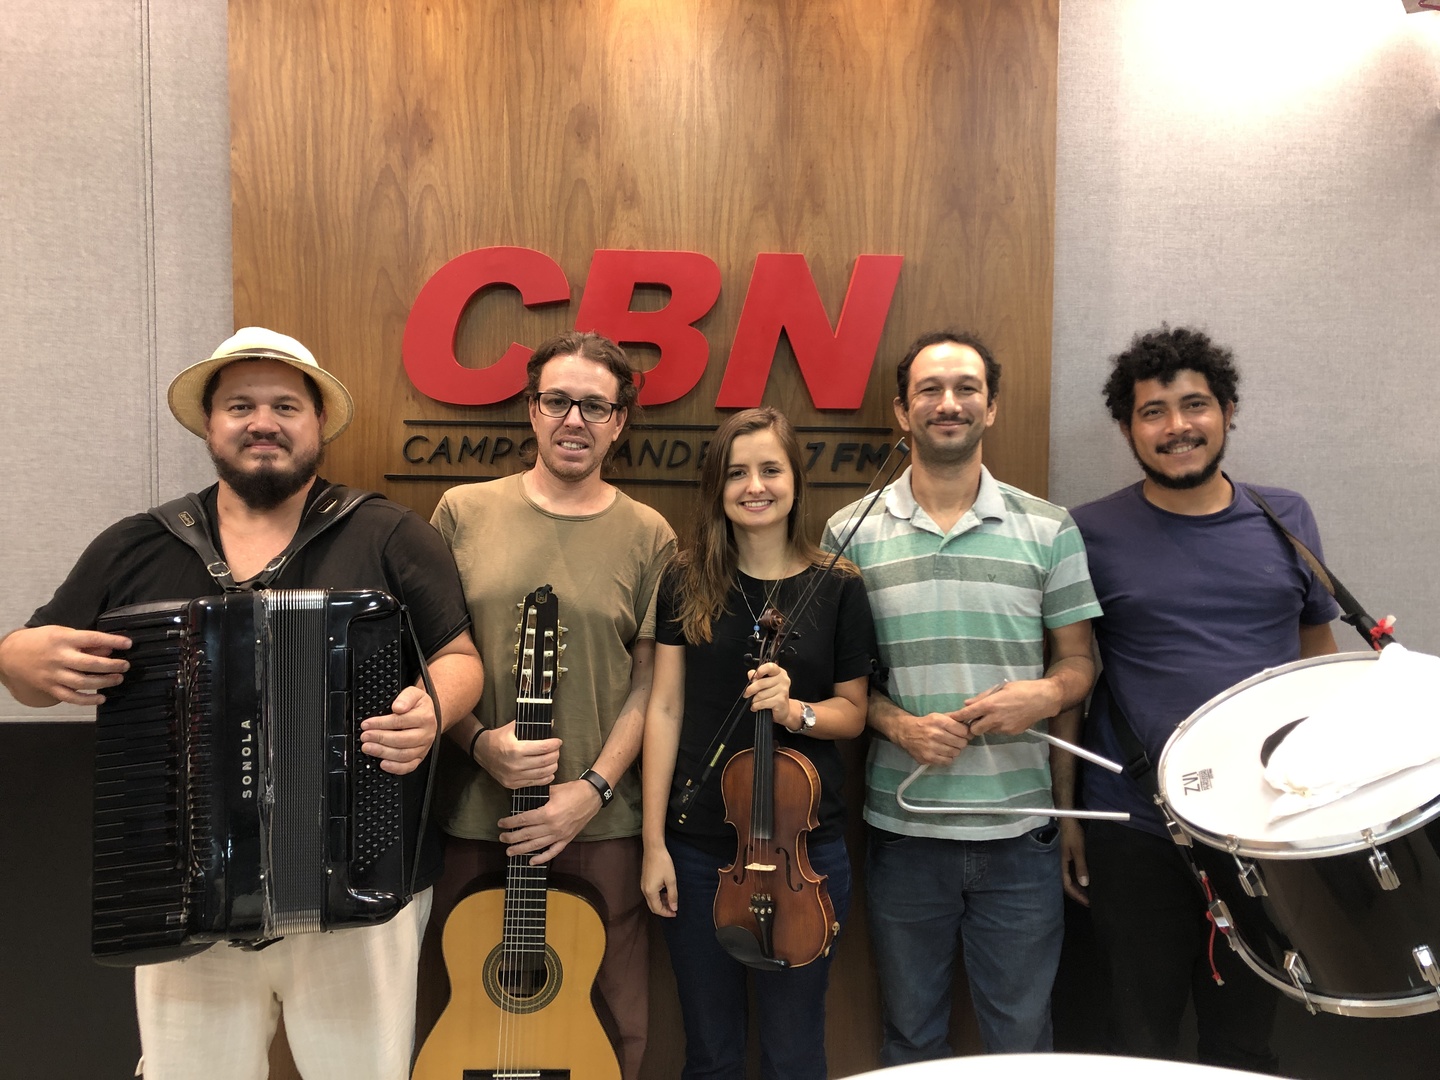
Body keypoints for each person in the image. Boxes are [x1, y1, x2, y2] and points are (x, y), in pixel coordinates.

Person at [0, 327, 485, 1080]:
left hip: (362, 876)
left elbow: (458, 659)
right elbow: (32, 667)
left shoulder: (388, 534)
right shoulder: (137, 546)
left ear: (318, 422)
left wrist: (432, 707)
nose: (263, 421)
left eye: (286, 404)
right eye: (240, 405)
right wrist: (13, 658)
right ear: (209, 424)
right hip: (184, 885)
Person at [1063, 325, 1339, 1071]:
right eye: (1153, 412)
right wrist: (1072, 816)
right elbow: (1073, 674)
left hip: (1264, 828)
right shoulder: (1087, 531)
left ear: (1228, 411)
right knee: (1138, 1037)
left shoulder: (1286, 518)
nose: (1177, 426)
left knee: (1245, 1038)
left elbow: (1319, 656)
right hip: (1136, 825)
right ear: (1128, 428)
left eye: (1195, 405)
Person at [822, 329, 1101, 1064]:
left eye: (966, 388)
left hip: (1021, 840)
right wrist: (899, 727)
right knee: (911, 1037)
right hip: (905, 833)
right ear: (901, 412)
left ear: (992, 407)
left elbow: (1080, 663)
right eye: (930, 391)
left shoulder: (1050, 528)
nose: (949, 404)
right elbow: (841, 684)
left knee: (1020, 1041)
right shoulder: (847, 532)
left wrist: (1041, 696)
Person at [428, 330, 676, 1080]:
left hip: (601, 827)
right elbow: (429, 658)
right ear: (531, 410)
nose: (575, 420)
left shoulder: (648, 534)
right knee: (469, 1016)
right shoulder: (461, 513)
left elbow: (650, 686)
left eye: (595, 406)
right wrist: (477, 743)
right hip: (477, 817)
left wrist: (591, 790)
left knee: (611, 1025)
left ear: (620, 421)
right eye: (558, 401)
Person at [640, 407, 876, 1080]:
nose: (755, 485)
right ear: (717, 486)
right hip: (697, 849)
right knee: (709, 1049)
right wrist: (654, 842)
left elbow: (853, 714)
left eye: (771, 469)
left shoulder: (838, 586)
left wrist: (796, 709)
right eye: (737, 472)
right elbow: (664, 706)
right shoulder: (686, 580)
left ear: (796, 480)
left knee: (794, 1049)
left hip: (808, 851)